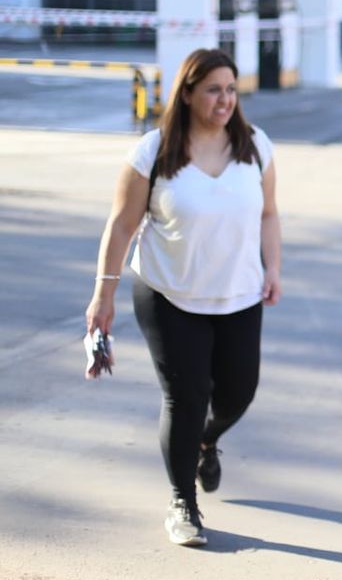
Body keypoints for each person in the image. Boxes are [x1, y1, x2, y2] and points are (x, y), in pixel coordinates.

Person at [84, 48, 281, 547]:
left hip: (238, 293)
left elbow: (269, 214)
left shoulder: (256, 146)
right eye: (214, 89)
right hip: (168, 294)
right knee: (185, 395)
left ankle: (206, 441)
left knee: (238, 394)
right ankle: (183, 503)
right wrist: (101, 295)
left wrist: (273, 266)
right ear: (188, 92)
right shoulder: (153, 152)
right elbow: (123, 224)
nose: (225, 100)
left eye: (232, 89)